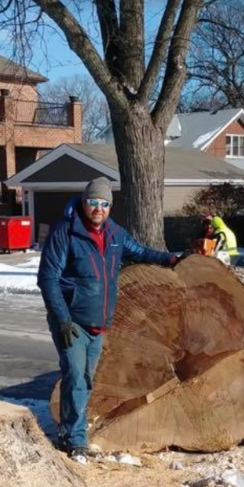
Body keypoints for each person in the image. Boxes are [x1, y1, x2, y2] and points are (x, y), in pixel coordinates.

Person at [38, 178, 178, 465]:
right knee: (76, 376)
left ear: (110, 207)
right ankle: (76, 439)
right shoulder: (66, 232)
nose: (98, 208)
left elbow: (140, 252)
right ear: (84, 202)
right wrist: (62, 319)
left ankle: (67, 430)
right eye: (93, 202)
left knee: (84, 378)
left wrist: (171, 259)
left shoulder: (115, 234)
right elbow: (48, 278)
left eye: (104, 204)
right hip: (72, 321)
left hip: (98, 322)